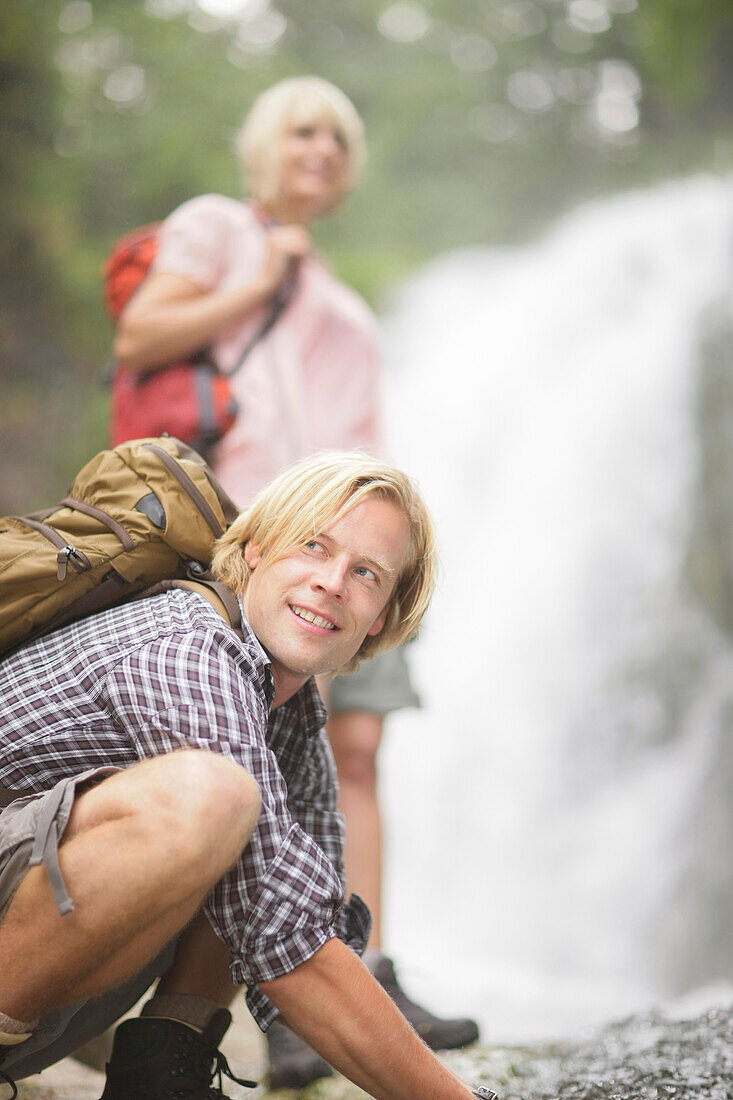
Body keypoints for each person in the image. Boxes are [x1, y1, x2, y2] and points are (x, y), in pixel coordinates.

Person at [114, 76, 478, 1086]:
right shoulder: (220, 229)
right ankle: (281, 995)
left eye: (338, 137)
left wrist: (389, 556)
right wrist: (256, 279)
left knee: (352, 749)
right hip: (261, 537)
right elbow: (143, 335)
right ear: (265, 144)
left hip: (355, 550)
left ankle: (361, 960)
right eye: (302, 130)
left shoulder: (337, 292)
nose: (321, 149)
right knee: (270, 757)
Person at [0, 452, 496, 1100]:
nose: (332, 582)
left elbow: (309, 920)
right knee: (218, 799)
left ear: (380, 618)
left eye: (365, 573)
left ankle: (162, 1069)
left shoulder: (290, 721)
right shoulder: (186, 644)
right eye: (312, 546)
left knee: (258, 829)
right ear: (256, 550)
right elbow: (284, 935)